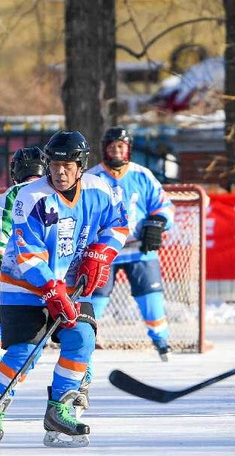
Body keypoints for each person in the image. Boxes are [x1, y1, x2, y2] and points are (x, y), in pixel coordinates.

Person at [0, 130, 128, 449]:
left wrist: (99, 254)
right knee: (24, 353)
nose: (60, 171)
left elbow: (119, 224)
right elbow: (28, 254)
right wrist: (51, 292)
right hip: (24, 283)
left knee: (82, 338)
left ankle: (59, 409)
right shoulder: (32, 197)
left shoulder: (100, 190)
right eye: (54, 164)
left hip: (69, 283)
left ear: (81, 165)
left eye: (67, 165)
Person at [0, 146, 48, 411]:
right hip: (55, 276)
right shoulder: (57, 192)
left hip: (19, 277)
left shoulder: (14, 194)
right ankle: (79, 383)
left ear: (16, 170)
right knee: (62, 335)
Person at [87, 126, 175, 361]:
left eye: (120, 146)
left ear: (128, 150)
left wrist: (158, 222)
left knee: (150, 298)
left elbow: (164, 205)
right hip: (105, 250)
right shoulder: (92, 178)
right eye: (112, 146)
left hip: (139, 249)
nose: (116, 151)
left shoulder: (143, 175)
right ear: (104, 149)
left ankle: (161, 341)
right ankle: (85, 339)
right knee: (96, 297)